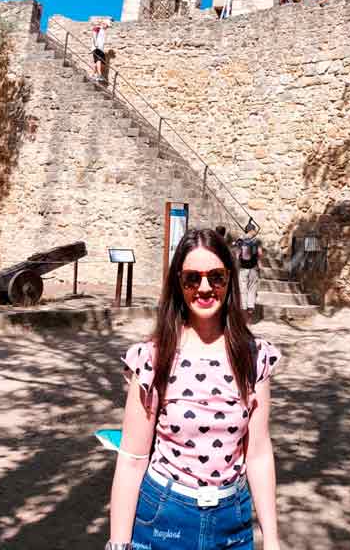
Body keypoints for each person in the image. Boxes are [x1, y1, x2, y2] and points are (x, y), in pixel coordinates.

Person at [106, 228, 282, 550]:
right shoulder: (153, 358)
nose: (204, 288)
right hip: (164, 518)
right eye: (192, 278)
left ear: (230, 281)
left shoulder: (254, 356)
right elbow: (132, 459)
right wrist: (118, 545)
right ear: (178, 283)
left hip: (233, 521)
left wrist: (271, 539)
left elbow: (257, 452)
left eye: (216, 277)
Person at [235, 219, 262, 321]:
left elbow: (237, 255)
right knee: (252, 289)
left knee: (243, 290)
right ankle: (250, 315)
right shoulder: (257, 241)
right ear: (253, 230)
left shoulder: (241, 241)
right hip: (253, 269)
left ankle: (243, 313)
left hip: (243, 269)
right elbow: (260, 254)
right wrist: (258, 264)